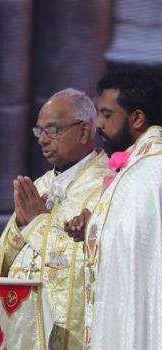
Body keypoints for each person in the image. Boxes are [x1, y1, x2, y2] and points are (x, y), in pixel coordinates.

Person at [0, 88, 111, 349]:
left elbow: (95, 260)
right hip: (23, 324)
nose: (43, 140)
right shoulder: (42, 184)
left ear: (83, 131)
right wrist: (21, 225)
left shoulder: (107, 185)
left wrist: (37, 224)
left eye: (53, 130)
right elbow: (4, 259)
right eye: (39, 131)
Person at [75, 70, 162, 350]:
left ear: (137, 118)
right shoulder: (141, 166)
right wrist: (95, 226)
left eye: (107, 114)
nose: (98, 123)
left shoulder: (147, 171)